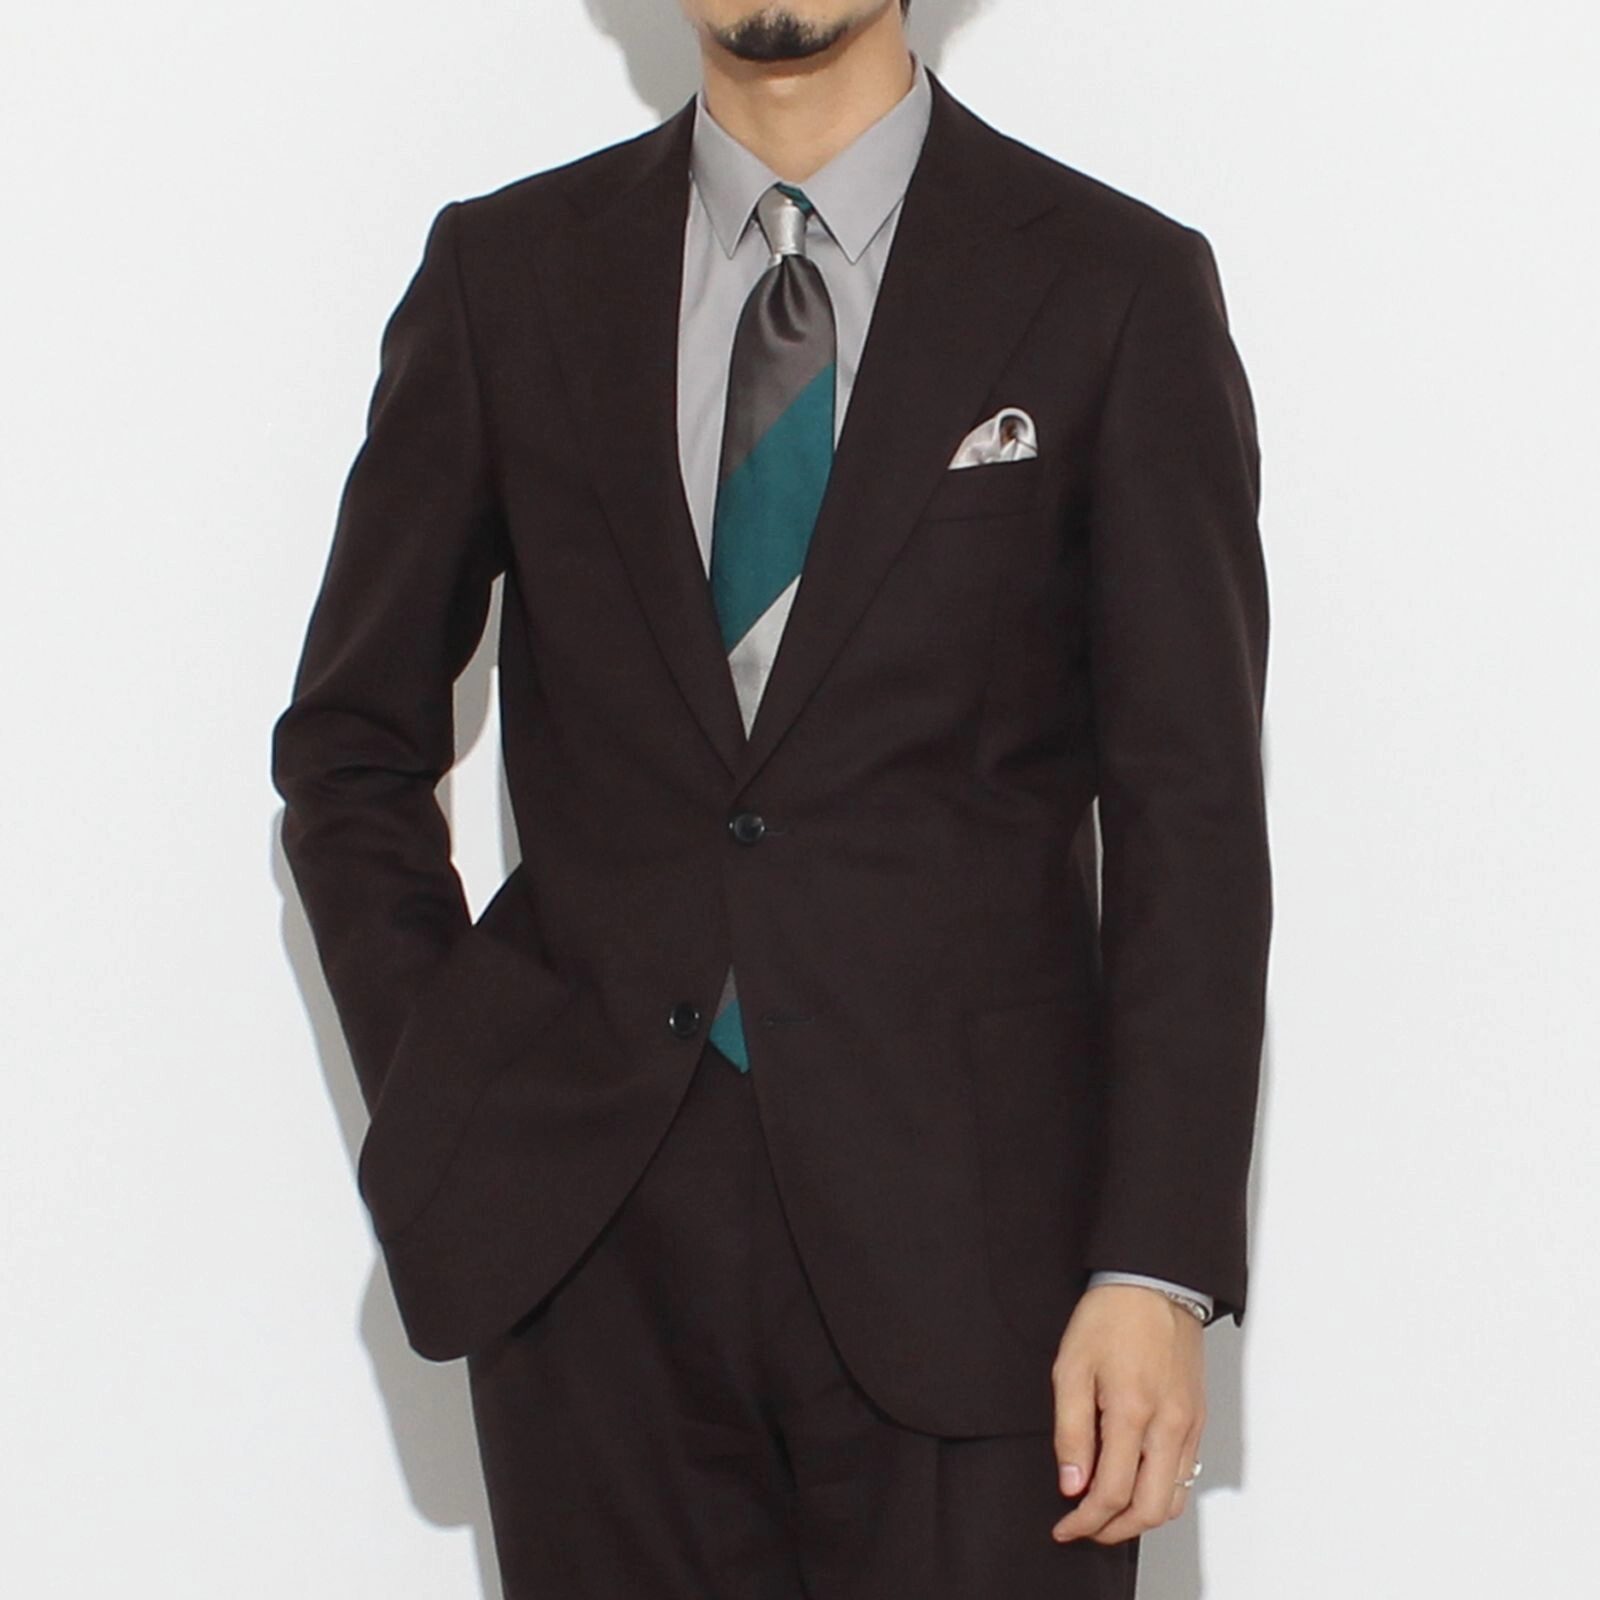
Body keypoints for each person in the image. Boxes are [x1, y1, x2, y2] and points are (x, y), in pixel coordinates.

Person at [269, 3, 1271, 1595]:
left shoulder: (1111, 283)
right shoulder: (506, 275)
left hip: (988, 1266)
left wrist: (1156, 1263)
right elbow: (349, 750)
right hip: (592, 1251)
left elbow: (1191, 821)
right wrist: (464, 1082)